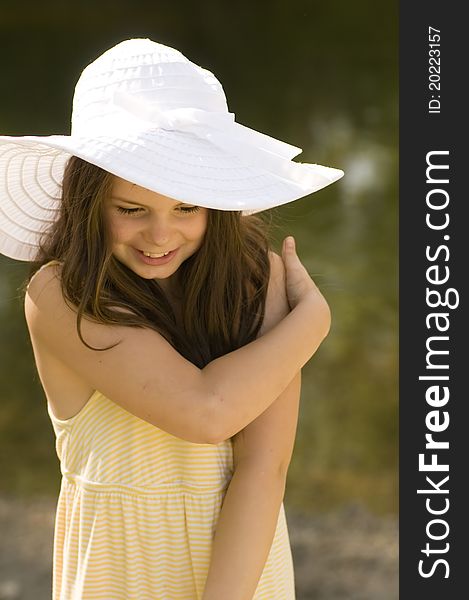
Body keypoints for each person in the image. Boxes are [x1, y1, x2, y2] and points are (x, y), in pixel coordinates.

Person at [0, 38, 343, 600]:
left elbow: (265, 465)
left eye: (186, 207)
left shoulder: (254, 280)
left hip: (244, 573)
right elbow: (205, 412)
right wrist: (314, 321)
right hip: (120, 576)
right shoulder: (62, 295)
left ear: (216, 202)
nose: (161, 235)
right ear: (90, 206)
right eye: (132, 210)